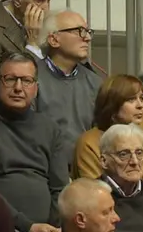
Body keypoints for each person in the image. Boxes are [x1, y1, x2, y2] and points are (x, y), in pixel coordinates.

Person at [0, 52, 68, 232]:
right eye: (10, 79)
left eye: (26, 81)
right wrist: (28, 227)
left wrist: (53, 229)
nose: (18, 88)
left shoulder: (51, 129)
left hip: (48, 230)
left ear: (36, 88)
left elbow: (59, 187)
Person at [74, 74, 143, 193]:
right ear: (112, 105)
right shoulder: (89, 143)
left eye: (141, 98)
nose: (140, 105)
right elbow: (93, 193)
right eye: (131, 99)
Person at [35, 11, 102, 156]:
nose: (87, 38)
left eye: (88, 31)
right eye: (79, 31)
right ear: (54, 39)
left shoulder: (95, 82)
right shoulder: (32, 78)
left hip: (85, 163)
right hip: (42, 162)